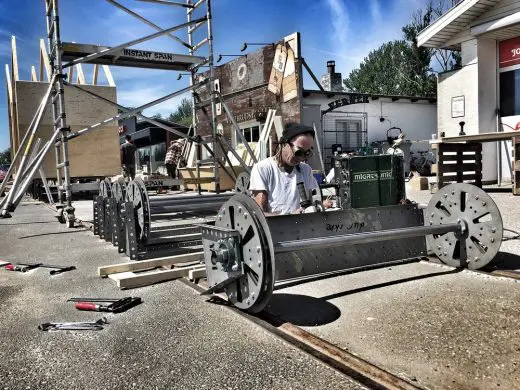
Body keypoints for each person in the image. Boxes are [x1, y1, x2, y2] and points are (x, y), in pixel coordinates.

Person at [249, 122, 330, 215]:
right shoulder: (263, 168)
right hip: (273, 228)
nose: (301, 158)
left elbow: (311, 203)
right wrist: (290, 217)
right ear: (284, 144)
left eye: (306, 153)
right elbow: (259, 214)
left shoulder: (305, 170)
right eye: (298, 152)